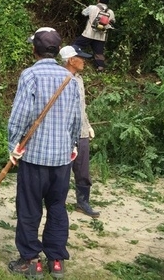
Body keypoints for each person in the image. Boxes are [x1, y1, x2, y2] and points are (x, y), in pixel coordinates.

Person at [7, 27, 81, 280]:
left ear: (34, 49)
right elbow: (75, 119)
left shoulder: (30, 75)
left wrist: (13, 147)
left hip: (34, 157)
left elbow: (20, 116)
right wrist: (72, 147)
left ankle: (30, 261)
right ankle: (56, 260)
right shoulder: (69, 78)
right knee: (57, 208)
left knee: (29, 209)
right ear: (57, 50)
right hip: (62, 159)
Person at [60, 45, 100, 219]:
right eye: (80, 58)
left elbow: (81, 108)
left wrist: (88, 125)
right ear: (70, 60)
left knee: (82, 170)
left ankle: (83, 202)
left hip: (81, 131)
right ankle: (57, 201)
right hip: (65, 132)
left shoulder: (80, 80)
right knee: (62, 169)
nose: (84, 61)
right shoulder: (61, 79)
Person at [73, 0, 116, 72]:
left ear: (98, 0)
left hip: (88, 34)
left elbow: (83, 13)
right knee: (99, 54)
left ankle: (73, 61)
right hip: (101, 37)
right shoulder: (111, 12)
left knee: (76, 46)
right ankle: (100, 68)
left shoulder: (92, 7)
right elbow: (113, 21)